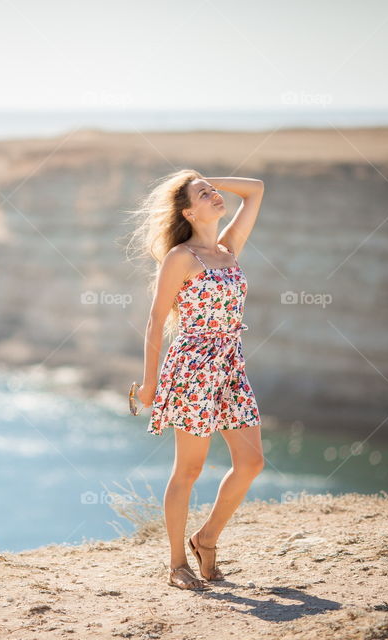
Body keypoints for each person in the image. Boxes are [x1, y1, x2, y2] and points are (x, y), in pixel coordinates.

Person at [126, 169, 266, 590]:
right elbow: (154, 319)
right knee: (189, 468)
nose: (214, 196)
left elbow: (256, 191)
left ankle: (205, 539)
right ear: (188, 212)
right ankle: (176, 566)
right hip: (192, 367)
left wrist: (207, 180)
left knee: (251, 463)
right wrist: (149, 383)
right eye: (203, 195)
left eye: (213, 192)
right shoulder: (181, 257)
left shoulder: (228, 248)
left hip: (230, 365)